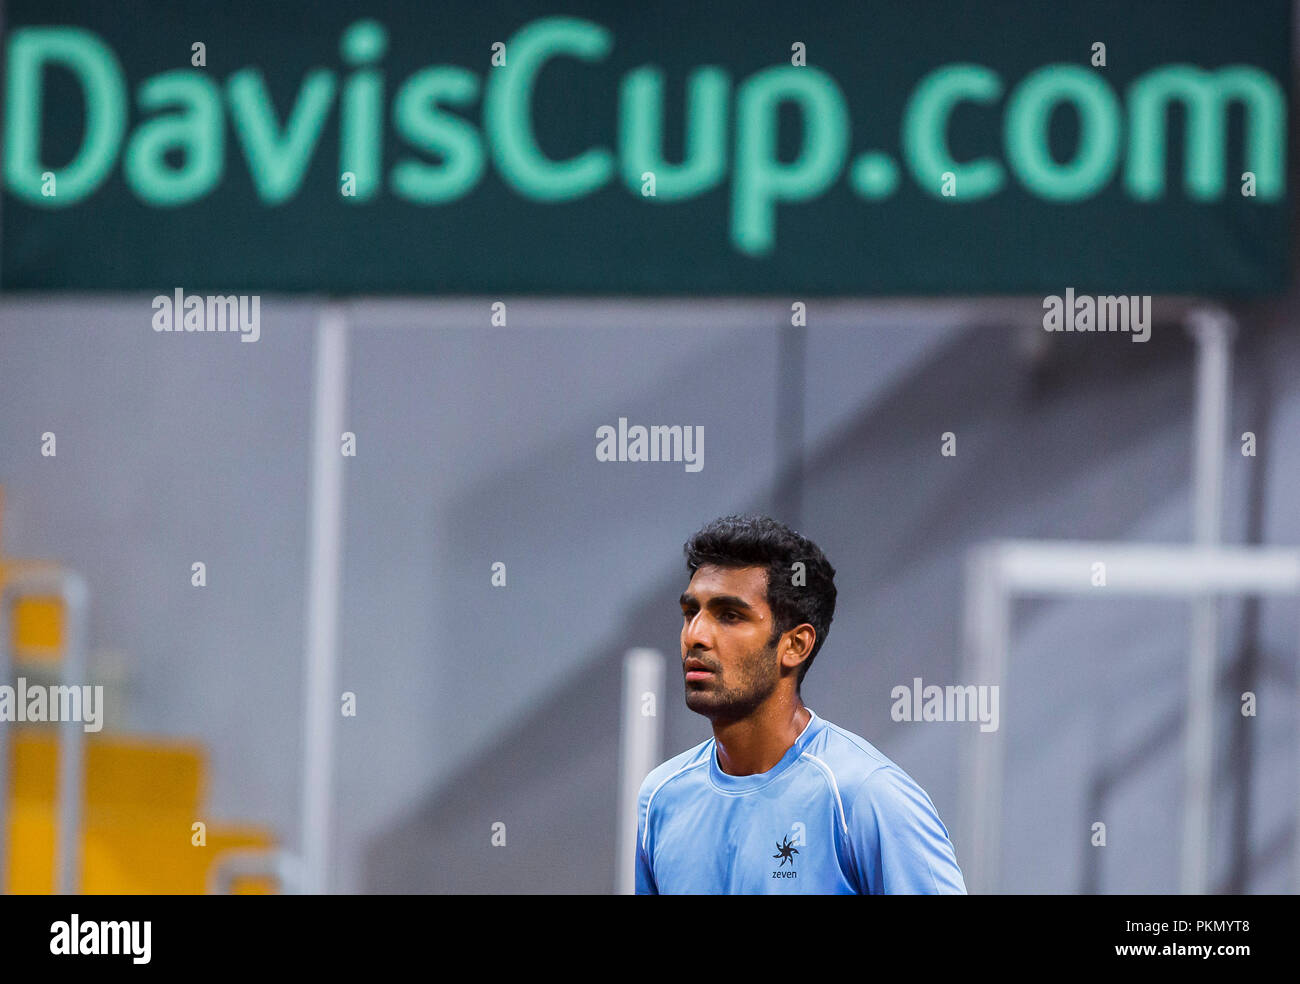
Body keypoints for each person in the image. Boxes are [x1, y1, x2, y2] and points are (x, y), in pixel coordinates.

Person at [636, 514, 967, 894]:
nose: (695, 635)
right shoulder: (662, 797)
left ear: (795, 645)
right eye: (691, 612)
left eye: (729, 616)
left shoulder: (867, 797)